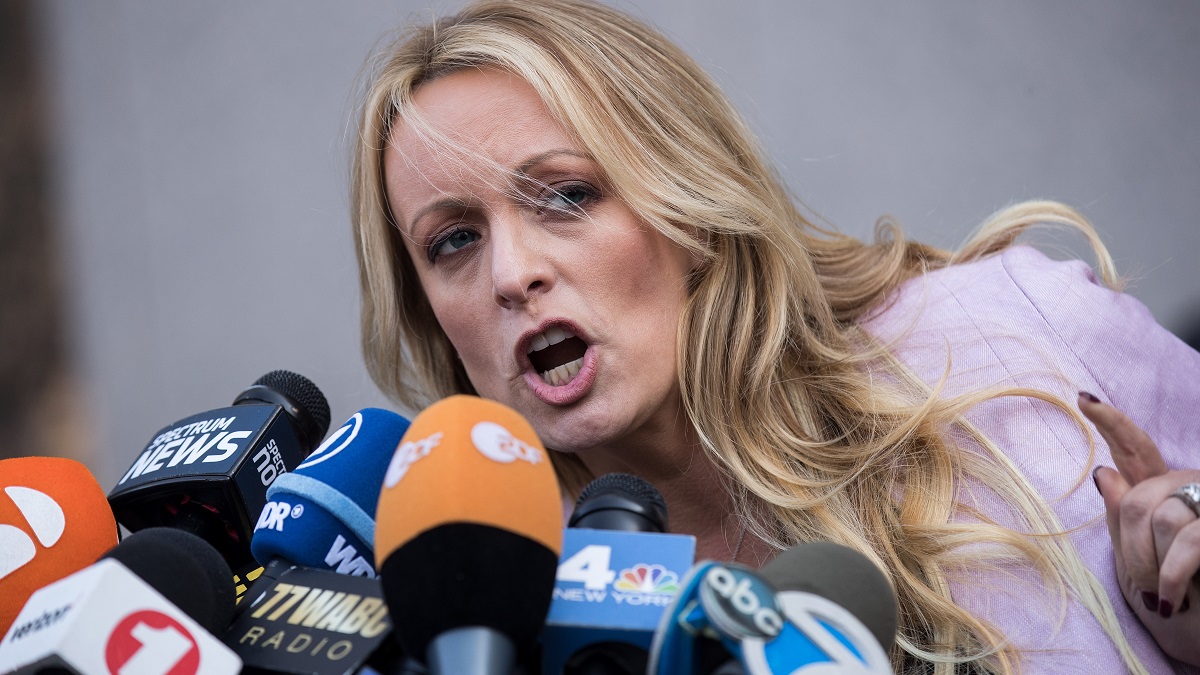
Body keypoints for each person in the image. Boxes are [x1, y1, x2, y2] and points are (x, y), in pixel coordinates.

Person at [348, 1, 1200, 672]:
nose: (511, 273)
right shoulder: (498, 609)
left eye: (566, 196)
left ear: (688, 201)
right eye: (453, 239)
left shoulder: (1018, 332)